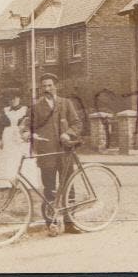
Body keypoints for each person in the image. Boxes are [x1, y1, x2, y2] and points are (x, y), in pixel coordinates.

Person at [20, 73, 83, 233]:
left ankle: (70, 224)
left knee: (69, 186)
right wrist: (27, 133)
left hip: (65, 152)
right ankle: (52, 224)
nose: (47, 88)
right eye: (44, 86)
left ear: (56, 86)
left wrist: (68, 133)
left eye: (50, 85)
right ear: (41, 88)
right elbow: (27, 125)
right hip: (46, 152)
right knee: (49, 188)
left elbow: (77, 123)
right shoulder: (36, 107)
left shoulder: (66, 103)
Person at [0, 95, 40, 189]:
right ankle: (5, 184)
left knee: (21, 158)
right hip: (7, 138)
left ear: (19, 98)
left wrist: (28, 133)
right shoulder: (5, 110)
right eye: (11, 98)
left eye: (15, 98)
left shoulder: (25, 110)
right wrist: (0, 139)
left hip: (21, 136)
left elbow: (30, 123)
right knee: (7, 159)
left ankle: (24, 184)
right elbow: (0, 126)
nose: (13, 100)